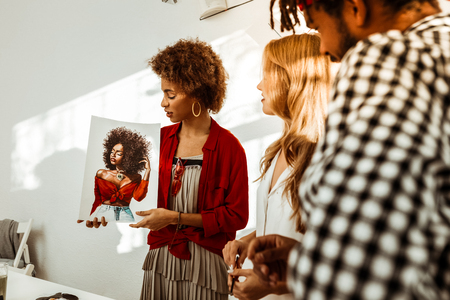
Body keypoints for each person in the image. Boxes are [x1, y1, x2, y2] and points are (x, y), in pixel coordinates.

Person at [248, 0, 450, 299]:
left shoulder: (391, 56)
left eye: (318, 27)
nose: (324, 51)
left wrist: (306, 267)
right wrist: (303, 260)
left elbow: (352, 276)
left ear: (356, 8)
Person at [129, 38, 249, 300]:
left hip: (206, 265)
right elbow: (132, 191)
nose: (163, 102)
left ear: (197, 92)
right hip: (160, 259)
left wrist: (175, 218)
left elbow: (237, 216)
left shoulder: (230, 147)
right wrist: (103, 209)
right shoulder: (158, 141)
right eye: (163, 94)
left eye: (170, 94)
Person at [222, 34, 330, 300]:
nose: (260, 85)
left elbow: (347, 254)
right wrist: (248, 240)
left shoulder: (329, 156)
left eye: (267, 75)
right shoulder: (279, 150)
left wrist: (281, 284)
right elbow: (289, 225)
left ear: (293, 79)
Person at [90, 127, 151, 223]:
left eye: (118, 153)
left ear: (128, 156)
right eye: (112, 151)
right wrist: (86, 216)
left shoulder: (136, 177)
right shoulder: (102, 174)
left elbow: (138, 197)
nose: (113, 155)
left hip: (125, 214)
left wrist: (148, 171)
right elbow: (97, 200)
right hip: (104, 212)